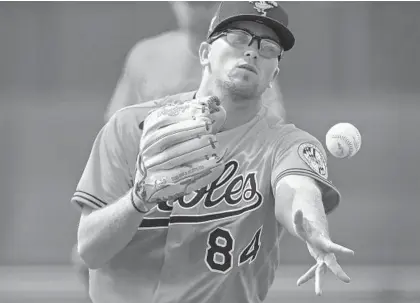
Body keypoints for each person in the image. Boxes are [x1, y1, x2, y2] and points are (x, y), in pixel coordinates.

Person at [71, 2, 355, 303]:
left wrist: (312, 227)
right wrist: (138, 199)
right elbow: (89, 250)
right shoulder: (131, 127)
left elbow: (297, 190)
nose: (252, 51)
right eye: (238, 38)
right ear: (205, 53)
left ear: (274, 73)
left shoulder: (285, 143)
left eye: (269, 47)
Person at [104, 1, 286, 122]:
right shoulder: (145, 56)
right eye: (192, 2)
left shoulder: (248, 58)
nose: (199, 10)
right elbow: (117, 124)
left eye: (207, 2)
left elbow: (272, 124)